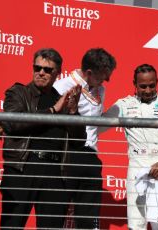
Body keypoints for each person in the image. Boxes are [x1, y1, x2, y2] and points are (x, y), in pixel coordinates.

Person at [0, 48, 86, 229]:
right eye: (37, 67)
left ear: (57, 73)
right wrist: (53, 111)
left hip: (55, 174)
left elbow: (78, 142)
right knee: (11, 226)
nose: (41, 72)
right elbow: (12, 123)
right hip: (22, 169)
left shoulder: (62, 100)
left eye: (47, 70)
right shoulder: (18, 92)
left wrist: (72, 112)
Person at [102, 64, 158, 230]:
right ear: (134, 83)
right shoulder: (123, 105)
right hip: (137, 165)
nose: (148, 90)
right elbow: (99, 126)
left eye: (152, 85)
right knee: (136, 223)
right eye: (143, 86)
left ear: (157, 82)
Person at [53, 47, 116, 228]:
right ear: (89, 72)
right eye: (102, 76)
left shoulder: (100, 90)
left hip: (91, 157)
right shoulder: (61, 86)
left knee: (88, 217)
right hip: (67, 155)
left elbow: (94, 126)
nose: (105, 81)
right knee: (57, 212)